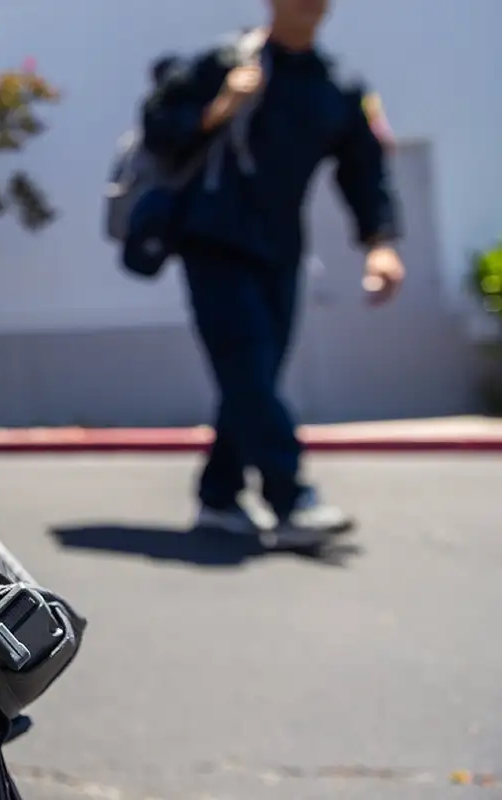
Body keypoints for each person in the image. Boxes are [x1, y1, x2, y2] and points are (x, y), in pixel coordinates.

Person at [141, 0, 404, 547]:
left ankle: (219, 495)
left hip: (281, 253)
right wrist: (218, 107)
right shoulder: (225, 62)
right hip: (212, 241)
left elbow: (365, 169)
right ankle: (290, 498)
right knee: (247, 365)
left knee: (254, 377)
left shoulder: (337, 86)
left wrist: (379, 246)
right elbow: (158, 126)